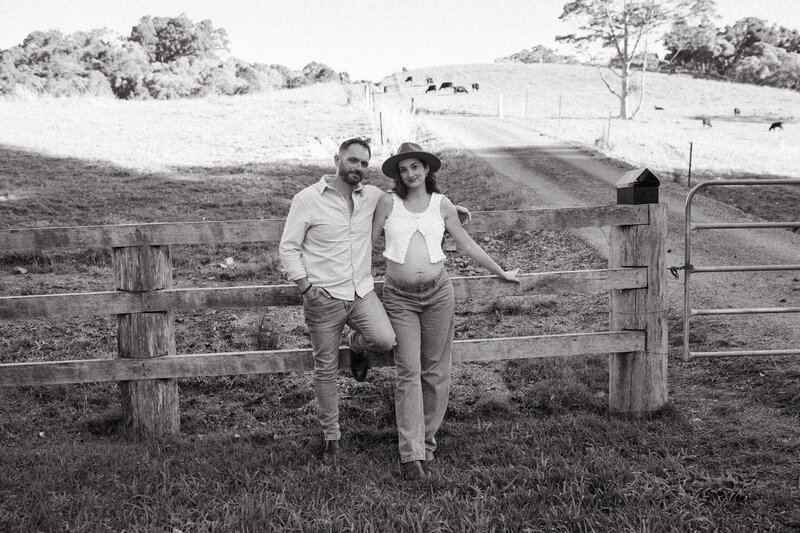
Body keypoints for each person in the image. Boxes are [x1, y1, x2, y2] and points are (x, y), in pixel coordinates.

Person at [372, 142, 520, 480]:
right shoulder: (386, 202)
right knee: (408, 371)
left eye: (415, 167)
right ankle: (411, 455)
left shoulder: (442, 205)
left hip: (439, 294)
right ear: (398, 173)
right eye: (403, 168)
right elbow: (365, 240)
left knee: (436, 372)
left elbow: (467, 244)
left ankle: (426, 441)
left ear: (427, 169)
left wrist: (501, 272)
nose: (409, 173)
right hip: (399, 297)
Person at [279, 138, 396, 464]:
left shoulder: (372, 196)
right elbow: (288, 247)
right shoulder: (306, 200)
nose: (358, 168)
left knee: (385, 340)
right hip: (324, 299)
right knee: (325, 369)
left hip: (361, 293)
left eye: (364, 164)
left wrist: (449, 210)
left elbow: (412, 200)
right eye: (353, 160)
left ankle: (357, 345)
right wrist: (305, 287)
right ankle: (332, 437)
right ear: (337, 159)